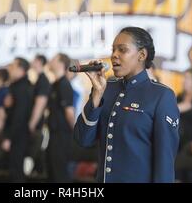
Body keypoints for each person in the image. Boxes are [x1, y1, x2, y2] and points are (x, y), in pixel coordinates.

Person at [74, 27, 179, 183]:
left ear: (142, 55)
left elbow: (165, 160)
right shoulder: (105, 88)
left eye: (122, 50)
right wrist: (97, 93)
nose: (114, 55)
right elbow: (82, 139)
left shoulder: (161, 95)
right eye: (113, 50)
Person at [2, 57, 34, 182]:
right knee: (13, 169)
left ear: (21, 69)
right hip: (16, 132)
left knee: (16, 170)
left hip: (18, 134)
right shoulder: (15, 86)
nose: (10, 69)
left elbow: (19, 115)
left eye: (13, 66)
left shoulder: (22, 88)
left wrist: (9, 137)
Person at [47, 53, 75, 182]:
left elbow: (69, 112)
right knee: (52, 171)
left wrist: (76, 133)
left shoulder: (64, 84)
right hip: (53, 134)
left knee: (60, 174)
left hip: (62, 136)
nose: (50, 61)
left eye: (53, 59)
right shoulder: (55, 84)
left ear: (60, 63)